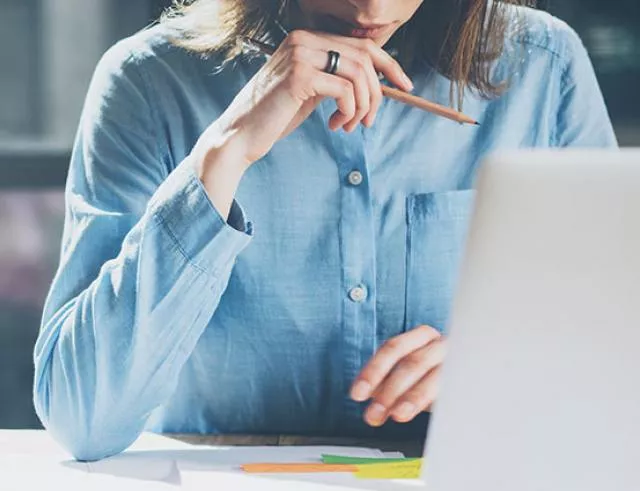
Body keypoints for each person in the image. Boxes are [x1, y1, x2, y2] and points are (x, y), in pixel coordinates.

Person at [33, 0, 616, 462]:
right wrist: (223, 154)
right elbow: (80, 417)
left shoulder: (544, 67)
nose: (370, 8)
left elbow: (612, 359)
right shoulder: (147, 81)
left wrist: (507, 363)